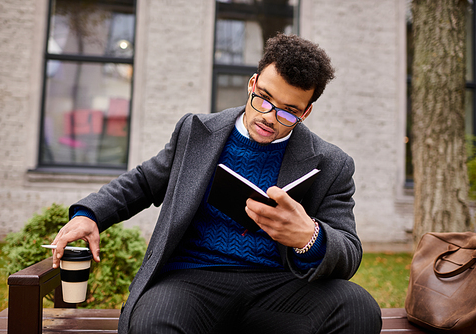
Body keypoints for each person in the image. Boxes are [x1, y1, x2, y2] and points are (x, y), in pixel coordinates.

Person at [52, 33, 382, 334]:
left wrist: (309, 238)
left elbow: (349, 252)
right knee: (152, 322)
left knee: (359, 309)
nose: (269, 116)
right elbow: (141, 183)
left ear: (305, 113)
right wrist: (89, 214)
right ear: (252, 83)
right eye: (264, 99)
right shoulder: (196, 132)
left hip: (279, 287)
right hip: (191, 280)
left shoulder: (331, 164)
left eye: (288, 112)